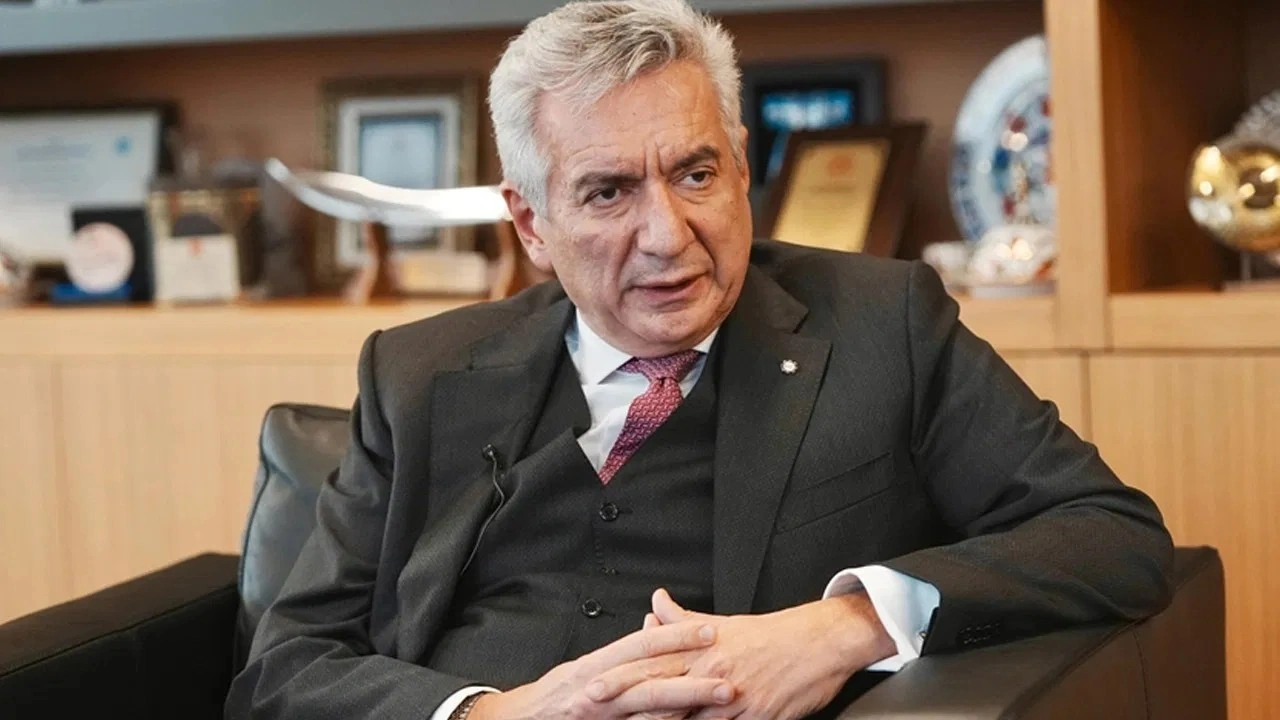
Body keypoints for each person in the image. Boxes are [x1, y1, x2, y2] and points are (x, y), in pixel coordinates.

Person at [224, 1, 1173, 718]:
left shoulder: (884, 326)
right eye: (607, 192)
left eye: (695, 173)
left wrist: (845, 625)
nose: (668, 235)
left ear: (742, 165)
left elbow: (1112, 536)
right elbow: (286, 665)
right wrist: (493, 713)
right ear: (531, 224)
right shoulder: (420, 375)